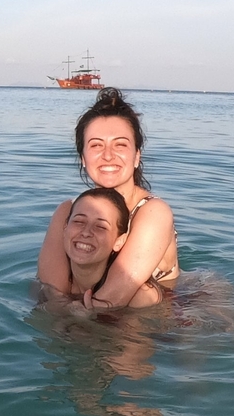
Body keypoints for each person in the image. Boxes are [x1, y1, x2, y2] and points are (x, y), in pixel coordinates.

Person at [38, 87, 179, 308]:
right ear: (83, 157)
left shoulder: (153, 212)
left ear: (136, 156)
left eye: (120, 144)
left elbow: (110, 301)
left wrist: (71, 318)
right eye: (96, 145)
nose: (108, 155)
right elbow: (50, 290)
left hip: (178, 309)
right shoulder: (67, 211)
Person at [62, 187, 162, 308]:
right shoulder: (55, 283)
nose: (86, 232)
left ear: (119, 242)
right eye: (79, 221)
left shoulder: (141, 296)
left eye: (101, 226)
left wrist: (87, 323)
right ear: (65, 227)